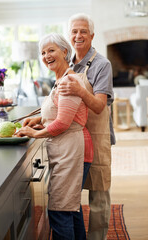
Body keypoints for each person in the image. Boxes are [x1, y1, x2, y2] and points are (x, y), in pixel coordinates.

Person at [16, 33, 93, 240]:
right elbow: (59, 113)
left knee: (60, 211)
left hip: (69, 150)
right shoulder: (60, 79)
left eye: (51, 50)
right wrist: (40, 120)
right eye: (42, 52)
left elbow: (63, 123)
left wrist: (35, 133)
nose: (46, 55)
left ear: (65, 52)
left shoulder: (69, 81)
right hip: (64, 148)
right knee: (69, 208)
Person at [58, 13, 116, 240]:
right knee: (70, 195)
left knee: (98, 196)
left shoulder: (103, 64)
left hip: (97, 136)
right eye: (74, 31)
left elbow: (100, 106)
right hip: (73, 138)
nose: (78, 35)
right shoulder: (68, 64)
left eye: (83, 31)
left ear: (92, 35)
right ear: (69, 36)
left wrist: (80, 91)